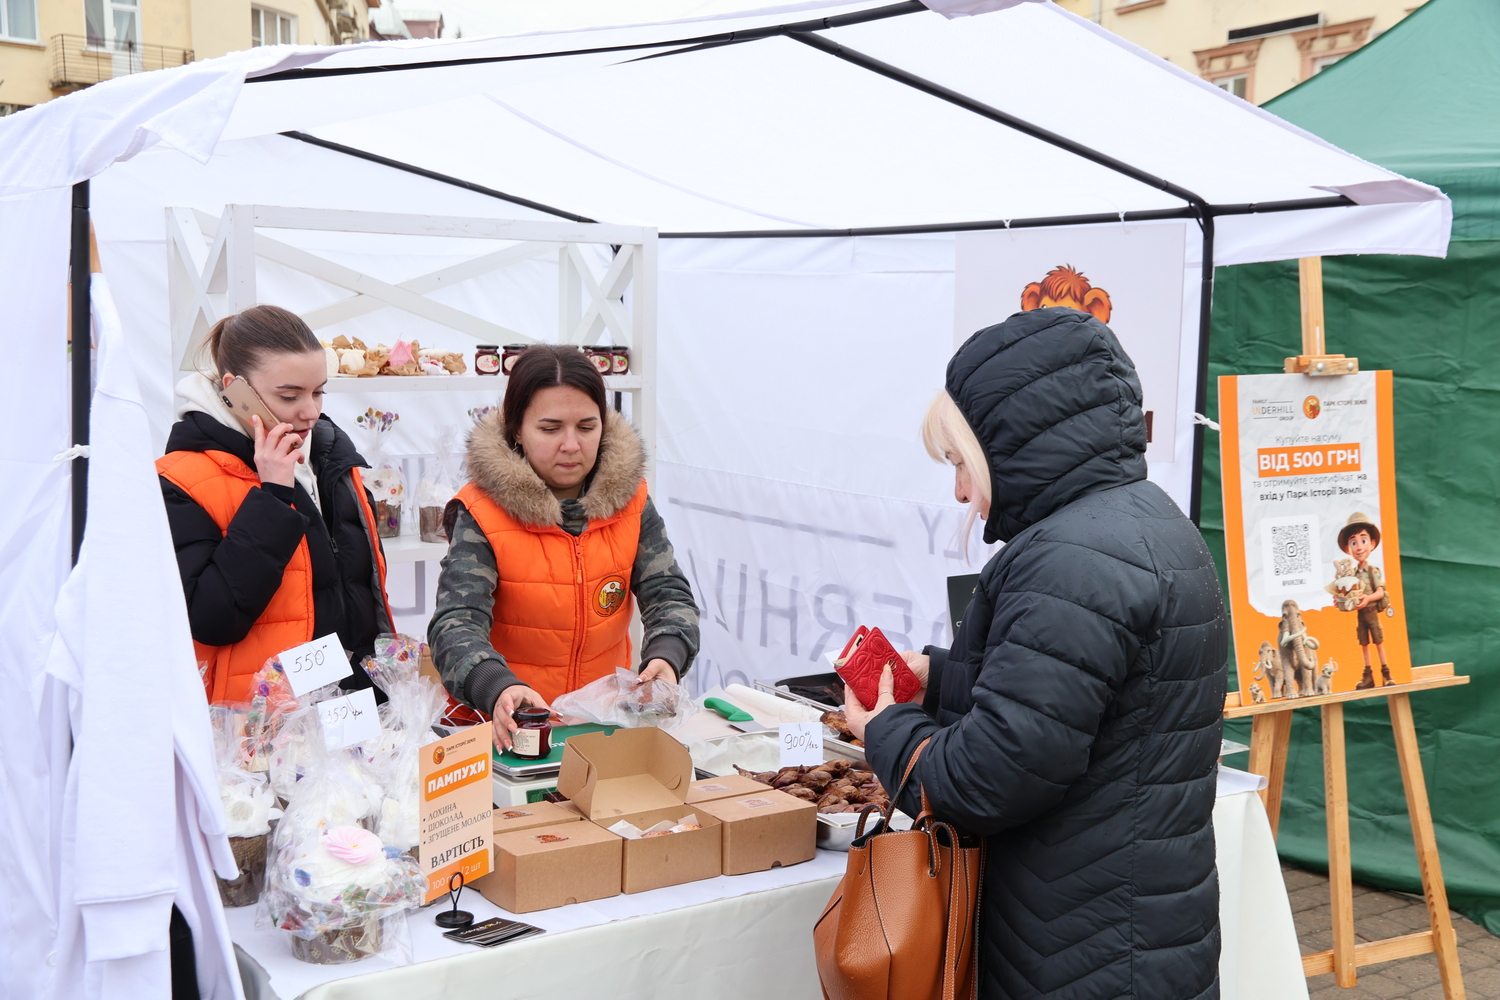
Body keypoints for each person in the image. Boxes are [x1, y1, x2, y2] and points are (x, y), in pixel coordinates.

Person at [844, 308, 1228, 1000]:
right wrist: (943, 679)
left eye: (960, 462)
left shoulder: (1068, 558)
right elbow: (1095, 704)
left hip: (1082, 950)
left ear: (1009, 441)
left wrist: (884, 729)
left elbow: (989, 780)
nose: (961, 490)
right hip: (1134, 929)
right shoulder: (1150, 519)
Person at [430, 344, 699, 750]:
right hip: (507, 732)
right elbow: (455, 623)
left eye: (587, 427)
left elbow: (669, 594)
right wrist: (497, 687)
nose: (571, 445)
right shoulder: (481, 511)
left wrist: (667, 654)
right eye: (550, 429)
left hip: (599, 727)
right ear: (517, 430)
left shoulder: (632, 501)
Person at [158, 305, 393, 704]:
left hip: (356, 710)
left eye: (318, 392)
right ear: (236, 391)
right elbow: (212, 618)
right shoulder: (180, 479)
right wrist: (272, 497)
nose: (310, 412)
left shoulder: (333, 458)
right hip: (261, 722)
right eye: (289, 395)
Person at [1338, 512, 1393, 689]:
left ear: (1372, 544)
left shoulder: (1372, 571)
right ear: (1348, 548)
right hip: (1361, 615)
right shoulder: (1352, 574)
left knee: (1378, 642)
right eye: (1353, 543)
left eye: (1363, 540)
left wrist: (1368, 598)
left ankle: (1386, 674)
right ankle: (1368, 675)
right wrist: (1341, 601)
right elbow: (1350, 596)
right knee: (1364, 644)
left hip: (1372, 613)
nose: (1359, 547)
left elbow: (1380, 592)